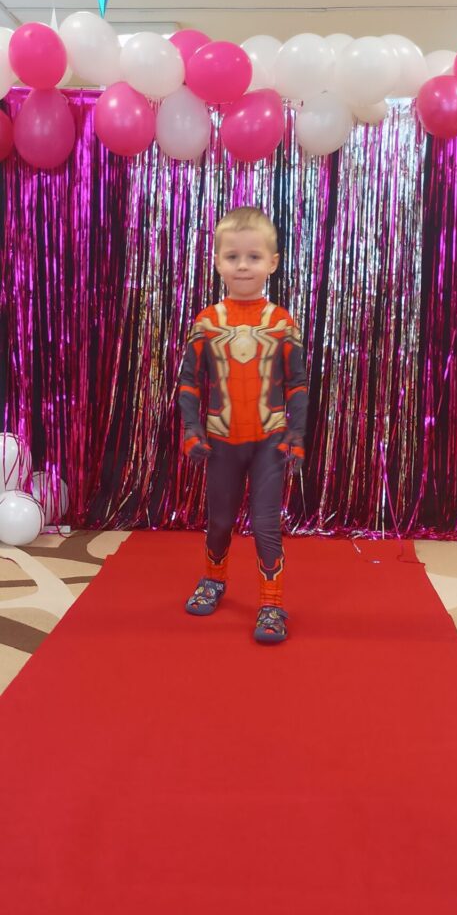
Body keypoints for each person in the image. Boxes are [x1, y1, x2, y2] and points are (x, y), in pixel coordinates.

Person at [178, 206, 308, 643]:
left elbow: (297, 384)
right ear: (217, 261)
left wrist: (296, 433)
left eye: (254, 257)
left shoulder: (282, 323)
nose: (243, 266)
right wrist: (191, 428)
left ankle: (271, 602)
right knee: (219, 520)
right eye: (233, 257)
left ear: (272, 262)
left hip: (270, 440)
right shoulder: (207, 322)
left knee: (265, 523)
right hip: (222, 442)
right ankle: (214, 578)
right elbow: (189, 383)